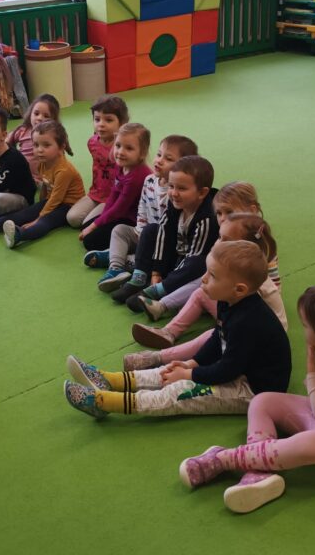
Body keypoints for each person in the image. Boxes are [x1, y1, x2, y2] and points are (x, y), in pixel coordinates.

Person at [179, 284, 315, 514]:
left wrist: (312, 368)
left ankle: (224, 459)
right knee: (262, 401)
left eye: (307, 326)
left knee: (308, 444)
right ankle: (258, 475)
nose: (304, 331)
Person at [64, 240, 291, 420]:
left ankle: (104, 402)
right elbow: (218, 337)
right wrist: (192, 363)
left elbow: (227, 370)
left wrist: (189, 375)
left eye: (212, 275)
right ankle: (111, 380)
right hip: (237, 369)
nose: (203, 279)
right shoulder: (227, 300)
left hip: (254, 391)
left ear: (239, 289)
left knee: (180, 391)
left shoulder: (248, 322)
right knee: (169, 370)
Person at [128, 213, 285, 363]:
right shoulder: (235, 269)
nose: (217, 243)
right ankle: (169, 332)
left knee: (215, 334)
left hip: (258, 335)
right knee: (202, 292)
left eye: (225, 240)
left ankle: (160, 358)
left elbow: (249, 320)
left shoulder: (252, 281)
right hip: (241, 318)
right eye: (219, 237)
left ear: (244, 248)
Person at [84, 134, 198, 292]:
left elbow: (172, 228)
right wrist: (139, 230)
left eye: (168, 159)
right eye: (159, 154)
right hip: (143, 233)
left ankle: (120, 258)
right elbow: (142, 207)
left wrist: (146, 240)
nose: (159, 161)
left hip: (161, 243)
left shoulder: (176, 193)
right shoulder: (149, 180)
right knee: (119, 230)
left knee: (149, 258)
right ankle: (115, 268)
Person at [109, 155, 219, 310]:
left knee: (197, 262)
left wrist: (167, 281)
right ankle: (139, 279)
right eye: (171, 186)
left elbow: (193, 258)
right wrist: (156, 272)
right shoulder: (176, 202)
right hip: (175, 256)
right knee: (150, 230)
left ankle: (157, 291)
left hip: (190, 264)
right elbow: (163, 235)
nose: (174, 193)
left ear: (202, 193)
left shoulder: (206, 219)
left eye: (182, 188)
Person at [0, 120, 84, 248]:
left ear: (61, 147)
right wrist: (39, 205)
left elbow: (56, 199)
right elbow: (45, 185)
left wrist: (38, 218)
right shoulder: (43, 163)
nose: (39, 150)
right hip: (53, 199)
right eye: (36, 145)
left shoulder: (64, 171)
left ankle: (19, 235)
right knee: (27, 212)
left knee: (46, 221)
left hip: (68, 205)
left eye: (46, 145)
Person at [79, 123, 152, 252]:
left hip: (134, 220)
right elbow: (114, 194)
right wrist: (100, 220)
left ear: (142, 153)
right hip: (123, 213)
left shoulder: (137, 176)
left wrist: (94, 226)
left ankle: (129, 246)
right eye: (118, 146)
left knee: (89, 241)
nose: (120, 152)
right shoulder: (121, 165)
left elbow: (119, 209)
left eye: (129, 148)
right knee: (86, 226)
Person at [66, 95, 129, 229]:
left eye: (108, 120)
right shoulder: (92, 142)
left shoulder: (123, 147)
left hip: (114, 196)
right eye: (97, 119)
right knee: (72, 218)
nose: (101, 124)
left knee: (87, 224)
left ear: (122, 123)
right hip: (95, 193)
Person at [6, 93, 60, 181]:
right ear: (30, 113)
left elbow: (60, 155)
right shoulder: (22, 131)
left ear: (54, 120)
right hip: (22, 174)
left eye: (46, 116)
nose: (39, 118)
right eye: (36, 113)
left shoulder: (53, 135)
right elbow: (6, 142)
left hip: (43, 179)